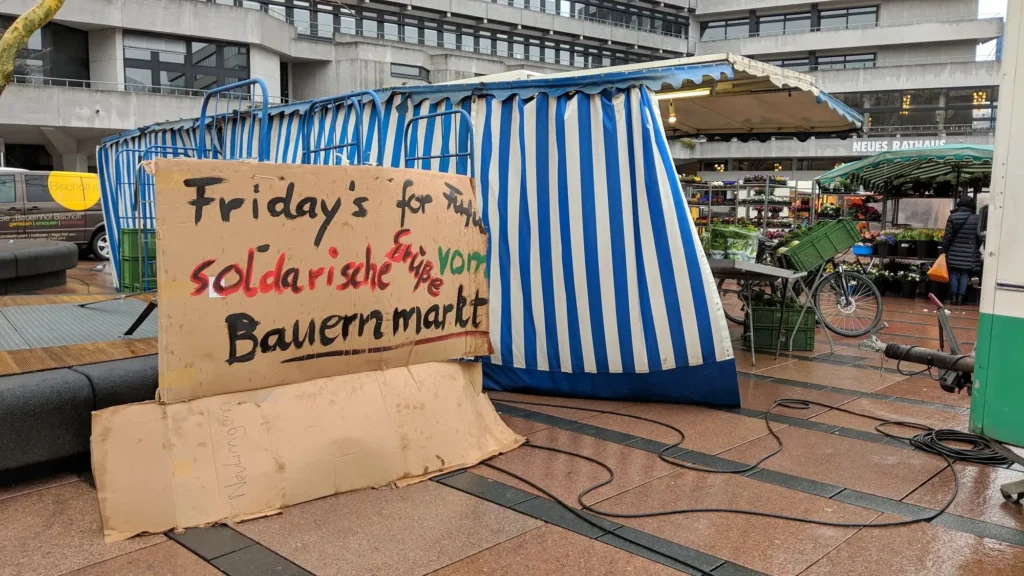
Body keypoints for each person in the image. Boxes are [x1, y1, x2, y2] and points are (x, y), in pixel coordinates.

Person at [940, 196, 981, 305]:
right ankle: (961, 298)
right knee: (964, 273)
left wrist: (944, 250)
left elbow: (947, 236)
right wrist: (976, 246)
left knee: (953, 272)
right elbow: (979, 236)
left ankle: (953, 297)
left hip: (954, 249)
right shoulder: (977, 218)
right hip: (970, 250)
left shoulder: (953, 217)